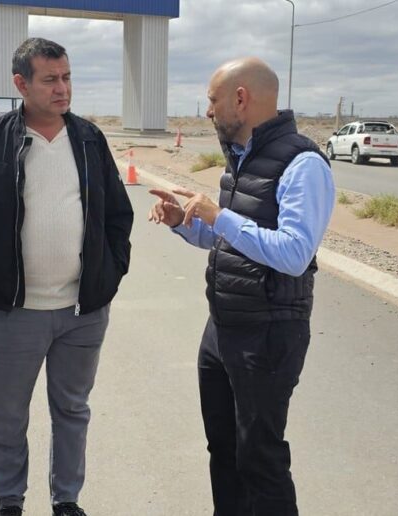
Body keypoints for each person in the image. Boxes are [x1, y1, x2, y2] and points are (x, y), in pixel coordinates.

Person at [0, 38, 133, 516]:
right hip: (9, 315)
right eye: (50, 79)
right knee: (6, 420)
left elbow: (118, 217)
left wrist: (107, 281)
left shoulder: (89, 139)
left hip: (81, 314)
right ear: (21, 84)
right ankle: (9, 502)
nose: (62, 88)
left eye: (66, 77)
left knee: (73, 411)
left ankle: (66, 500)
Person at [148, 57, 334, 515]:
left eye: (213, 100)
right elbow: (229, 238)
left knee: (260, 458)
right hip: (223, 327)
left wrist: (220, 216)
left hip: (268, 332)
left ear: (241, 98)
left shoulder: (303, 164)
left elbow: (294, 253)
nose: (208, 111)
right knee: (225, 450)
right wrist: (184, 223)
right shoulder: (240, 158)